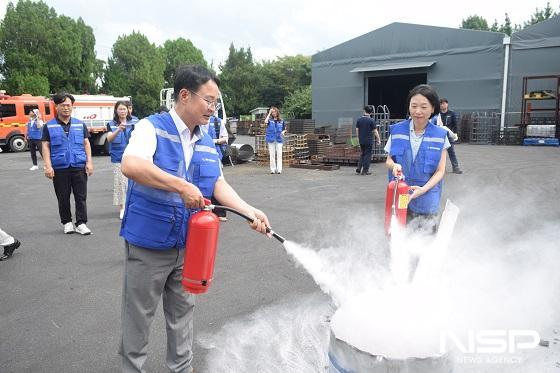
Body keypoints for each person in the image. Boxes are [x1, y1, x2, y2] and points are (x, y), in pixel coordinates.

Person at [119, 64, 271, 373]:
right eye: (209, 100)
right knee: (138, 318)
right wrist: (180, 185)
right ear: (185, 96)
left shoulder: (205, 137)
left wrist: (248, 210)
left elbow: (217, 183)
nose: (213, 109)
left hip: (188, 245)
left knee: (182, 316)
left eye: (216, 102)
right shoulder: (151, 127)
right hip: (149, 244)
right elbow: (131, 165)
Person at [384, 84, 450, 233]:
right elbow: (389, 160)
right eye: (413, 106)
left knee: (425, 238)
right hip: (401, 193)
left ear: (433, 108)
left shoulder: (440, 135)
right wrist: (394, 166)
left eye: (423, 107)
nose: (417, 111)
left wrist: (424, 189)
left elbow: (440, 170)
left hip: (427, 195)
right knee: (400, 235)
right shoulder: (397, 130)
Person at [42, 93, 94, 235]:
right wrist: (48, 165)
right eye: (63, 105)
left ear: (72, 107)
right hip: (60, 166)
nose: (66, 108)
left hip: (79, 165)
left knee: (81, 196)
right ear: (56, 106)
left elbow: (86, 142)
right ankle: (67, 222)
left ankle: (81, 223)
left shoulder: (79, 124)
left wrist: (89, 161)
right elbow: (45, 146)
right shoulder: (49, 126)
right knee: (63, 196)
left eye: (69, 105)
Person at [106, 100, 134, 219]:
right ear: (116, 111)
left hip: (133, 156)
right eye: (120, 109)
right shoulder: (111, 124)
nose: (123, 111)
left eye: (124, 109)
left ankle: (132, 207)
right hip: (118, 157)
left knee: (133, 183)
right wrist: (118, 130)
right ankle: (122, 208)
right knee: (121, 183)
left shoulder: (135, 121)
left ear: (128, 110)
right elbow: (109, 139)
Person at [207, 115, 229, 221]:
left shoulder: (217, 122)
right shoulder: (196, 120)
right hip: (200, 156)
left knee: (218, 182)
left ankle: (220, 212)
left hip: (215, 156)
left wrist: (213, 141)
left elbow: (225, 138)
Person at [355, 105, 381, 175]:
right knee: (367, 155)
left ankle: (359, 168)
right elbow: (375, 131)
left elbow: (357, 130)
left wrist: (358, 138)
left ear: (364, 111)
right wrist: (378, 139)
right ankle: (365, 170)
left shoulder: (359, 120)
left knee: (362, 154)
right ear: (371, 112)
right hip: (369, 140)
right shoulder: (371, 120)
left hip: (361, 140)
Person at [439, 98, 462, 174]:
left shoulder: (451, 113)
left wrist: (455, 134)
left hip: (449, 136)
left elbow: (455, 124)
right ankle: (440, 169)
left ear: (447, 104)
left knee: (451, 152)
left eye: (444, 103)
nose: (443, 105)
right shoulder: (437, 114)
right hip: (440, 136)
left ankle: (455, 168)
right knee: (439, 153)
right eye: (441, 104)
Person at [264, 106, 286, 174]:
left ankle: (279, 169)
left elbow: (284, 129)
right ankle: (272, 169)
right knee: (272, 155)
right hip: (271, 139)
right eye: (272, 112)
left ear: (277, 112)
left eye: (275, 111)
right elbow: (265, 121)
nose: (274, 113)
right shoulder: (270, 120)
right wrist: (269, 112)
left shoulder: (281, 121)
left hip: (279, 139)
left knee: (279, 155)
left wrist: (283, 132)